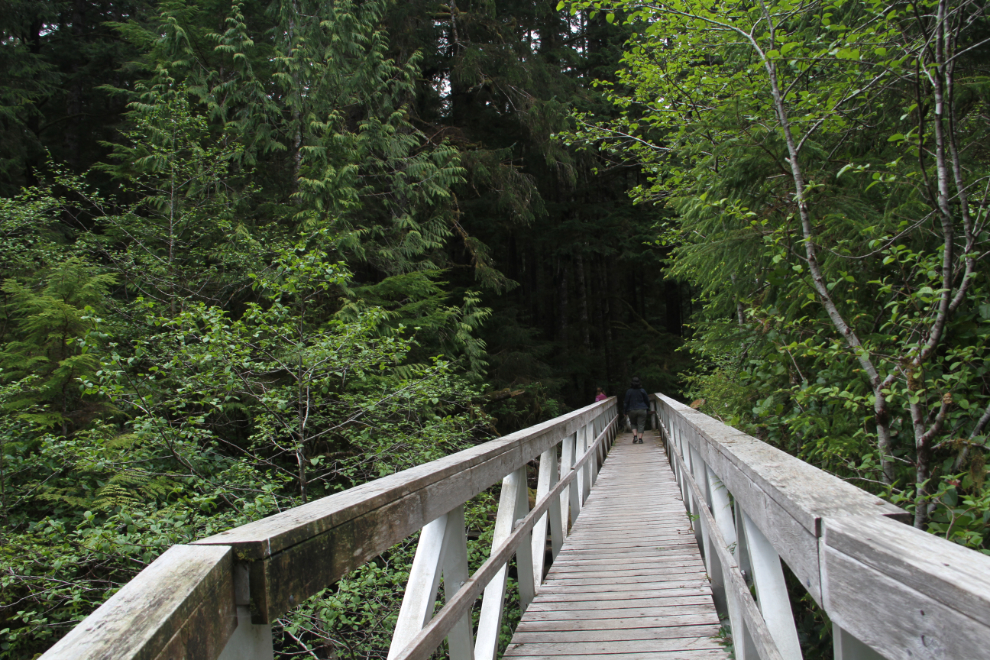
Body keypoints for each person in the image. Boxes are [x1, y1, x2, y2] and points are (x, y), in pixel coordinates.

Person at [624, 376, 649, 444]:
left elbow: (626, 402)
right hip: (642, 409)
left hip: (631, 409)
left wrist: (625, 411)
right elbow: (647, 400)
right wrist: (647, 408)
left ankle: (635, 436)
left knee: (633, 423)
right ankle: (640, 439)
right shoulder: (642, 391)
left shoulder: (629, 391)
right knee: (641, 424)